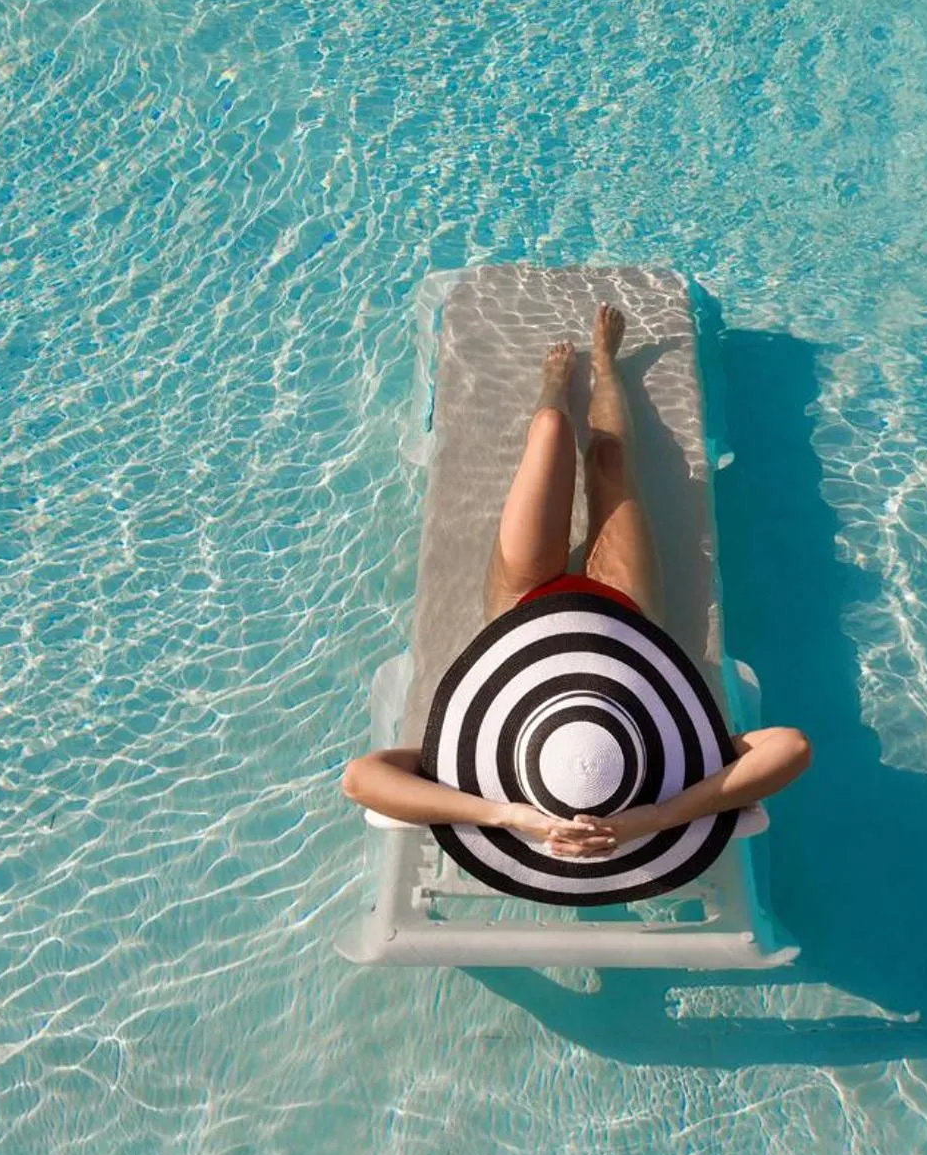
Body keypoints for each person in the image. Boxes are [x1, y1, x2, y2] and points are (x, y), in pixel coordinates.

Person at [342, 303, 810, 859]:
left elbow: (360, 778)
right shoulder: (660, 776)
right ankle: (607, 368)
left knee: (550, 429)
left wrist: (508, 813)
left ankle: (555, 387)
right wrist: (657, 815)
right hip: (624, 612)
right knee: (610, 462)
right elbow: (791, 747)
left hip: (524, 609)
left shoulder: (493, 778)